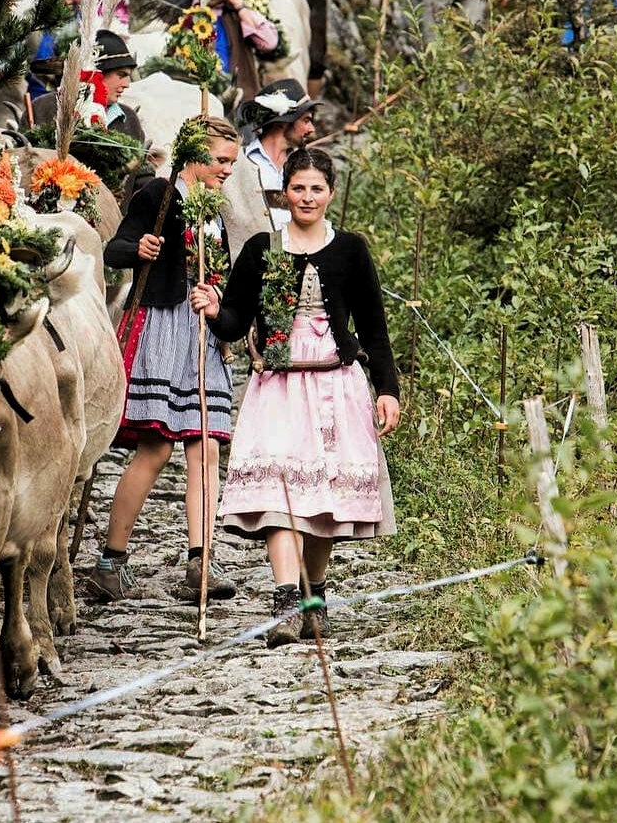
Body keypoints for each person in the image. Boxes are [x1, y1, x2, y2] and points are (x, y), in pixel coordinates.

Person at [191, 147, 401, 647]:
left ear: (329, 194)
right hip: (278, 386)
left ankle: (314, 598)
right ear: (285, 191)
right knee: (279, 492)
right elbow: (237, 321)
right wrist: (214, 307)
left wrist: (387, 389)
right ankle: (286, 602)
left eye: (316, 189)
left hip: (336, 384)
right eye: (299, 188)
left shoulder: (350, 250)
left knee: (321, 500)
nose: (307, 197)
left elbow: (373, 327)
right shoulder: (262, 248)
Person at [90, 115, 242, 604]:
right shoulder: (158, 196)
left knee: (206, 447)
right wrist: (141, 246)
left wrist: (221, 307)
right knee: (154, 450)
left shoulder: (214, 210)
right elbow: (113, 251)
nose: (226, 170)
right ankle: (110, 562)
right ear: (193, 155)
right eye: (220, 160)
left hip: (202, 333)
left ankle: (201, 562)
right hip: (162, 325)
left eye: (231, 163)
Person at [31, 28, 154, 205]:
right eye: (121, 75)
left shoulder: (129, 119)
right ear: (96, 73)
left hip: (115, 225)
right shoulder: (43, 108)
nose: (127, 84)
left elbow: (142, 178)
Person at [223, 77, 320, 249]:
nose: (311, 129)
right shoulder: (239, 163)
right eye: (306, 120)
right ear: (284, 122)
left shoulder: (305, 166)